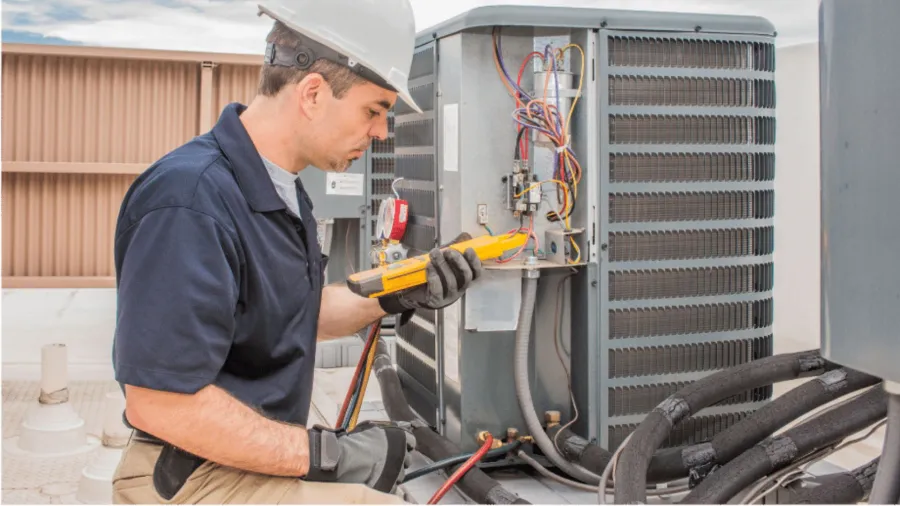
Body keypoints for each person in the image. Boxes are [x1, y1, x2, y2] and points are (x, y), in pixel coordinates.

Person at [109, 0, 483, 503]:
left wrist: (406, 289)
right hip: (188, 475)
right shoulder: (190, 201)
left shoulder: (282, 192)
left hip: (235, 460)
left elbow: (297, 315)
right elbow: (161, 403)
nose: (379, 132)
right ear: (312, 93)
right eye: (374, 110)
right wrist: (327, 455)